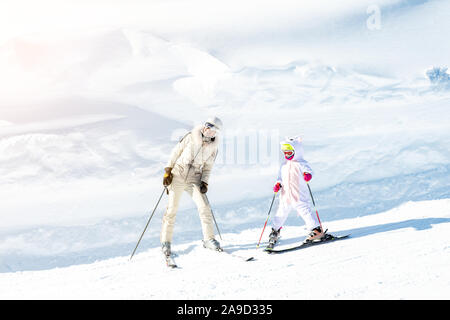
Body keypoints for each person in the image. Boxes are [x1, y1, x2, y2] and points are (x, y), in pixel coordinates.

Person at [160, 117, 223, 257]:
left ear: (215, 133)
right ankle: (166, 242)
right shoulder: (190, 136)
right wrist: (168, 171)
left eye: (212, 129)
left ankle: (209, 239)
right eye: (207, 126)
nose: (208, 130)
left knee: (204, 207)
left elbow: (208, 168)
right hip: (177, 175)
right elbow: (176, 152)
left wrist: (204, 182)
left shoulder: (213, 148)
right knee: (172, 209)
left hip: (195, 178)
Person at [268, 136, 325, 248]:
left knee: (305, 211)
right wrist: (278, 184)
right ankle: (275, 231)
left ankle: (316, 230)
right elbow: (280, 177)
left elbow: (309, 172)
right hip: (285, 195)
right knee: (280, 213)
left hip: (298, 194)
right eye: (285, 153)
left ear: (296, 151)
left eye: (289, 153)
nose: (287, 155)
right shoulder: (283, 165)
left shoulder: (301, 163)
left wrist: (307, 175)